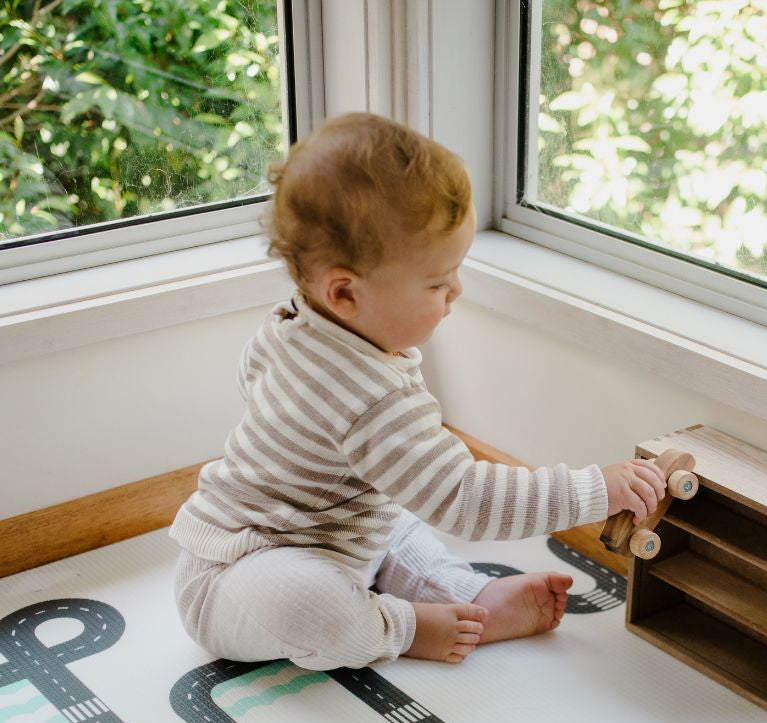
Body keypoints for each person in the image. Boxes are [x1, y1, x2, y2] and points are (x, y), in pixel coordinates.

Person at [170, 112, 666, 670]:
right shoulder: (366, 394)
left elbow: (256, 383)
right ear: (345, 292)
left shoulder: (299, 321)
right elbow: (465, 500)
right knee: (311, 603)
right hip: (235, 576)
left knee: (394, 517)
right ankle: (401, 627)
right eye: (436, 281)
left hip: (339, 534)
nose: (457, 290)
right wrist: (592, 491)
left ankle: (464, 594)